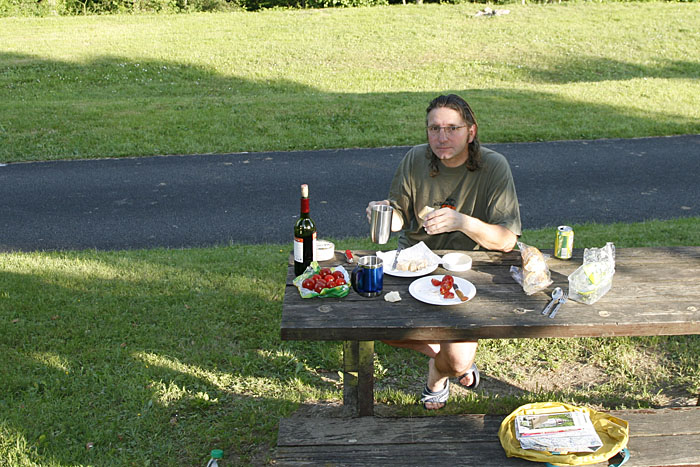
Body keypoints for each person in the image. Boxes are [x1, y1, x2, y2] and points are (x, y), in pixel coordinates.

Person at [366, 94, 522, 410]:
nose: (442, 137)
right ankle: (444, 353)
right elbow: (399, 214)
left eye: (452, 128)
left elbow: (506, 240)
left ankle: (437, 377)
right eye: (434, 128)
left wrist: (461, 221)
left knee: (459, 362)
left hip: (468, 270)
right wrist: (385, 214)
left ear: (471, 132)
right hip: (413, 262)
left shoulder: (494, 167)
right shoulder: (415, 159)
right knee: (371, 321)